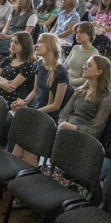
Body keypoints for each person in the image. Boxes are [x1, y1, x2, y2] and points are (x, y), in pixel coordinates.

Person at [8, 34, 70, 166]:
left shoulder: (61, 71)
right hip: (36, 110)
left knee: (25, 149)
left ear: (51, 46)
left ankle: (23, 179)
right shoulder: (39, 64)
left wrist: (34, 112)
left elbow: (55, 105)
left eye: (41, 42)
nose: (36, 45)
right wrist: (23, 102)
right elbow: (35, 91)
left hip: (48, 117)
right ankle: (9, 179)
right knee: (20, 145)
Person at [57, 55, 111, 138]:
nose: (84, 67)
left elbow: (95, 130)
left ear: (98, 72)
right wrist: (62, 125)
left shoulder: (105, 99)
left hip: (83, 138)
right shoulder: (79, 91)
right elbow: (63, 114)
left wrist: (72, 127)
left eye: (88, 65)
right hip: (65, 129)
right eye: (85, 64)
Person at [0, 32, 37, 107]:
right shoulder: (8, 59)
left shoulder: (28, 64)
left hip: (11, 98)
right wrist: (0, 84)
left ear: (25, 46)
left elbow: (11, 87)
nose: (12, 44)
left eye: (16, 43)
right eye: (12, 41)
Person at [0, 0, 37, 70]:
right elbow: (6, 26)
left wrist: (8, 36)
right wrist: (3, 33)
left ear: (28, 1)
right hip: (7, 34)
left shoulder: (32, 15)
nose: (19, 0)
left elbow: (25, 34)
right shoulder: (14, 12)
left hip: (18, 39)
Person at [67, 22, 100, 86]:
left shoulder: (94, 54)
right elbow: (65, 66)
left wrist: (68, 82)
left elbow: (88, 79)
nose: (78, 35)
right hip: (66, 79)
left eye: (81, 32)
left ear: (89, 35)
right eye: (76, 32)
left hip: (77, 85)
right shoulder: (75, 48)